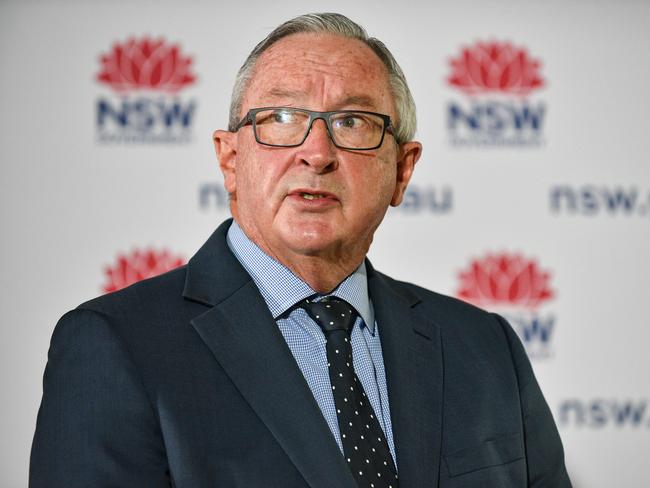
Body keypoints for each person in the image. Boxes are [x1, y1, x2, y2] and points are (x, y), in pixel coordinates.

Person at [30, 12, 572, 488]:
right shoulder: (115, 345)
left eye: (352, 122)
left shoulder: (485, 347)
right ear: (230, 159)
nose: (316, 152)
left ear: (402, 171)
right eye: (281, 119)